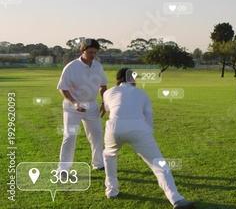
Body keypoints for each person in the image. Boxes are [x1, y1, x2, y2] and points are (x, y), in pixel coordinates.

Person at [102, 68, 195, 208]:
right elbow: (148, 118)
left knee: (109, 156)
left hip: (114, 129)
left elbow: (109, 108)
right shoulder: (142, 94)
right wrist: (146, 143)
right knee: (159, 164)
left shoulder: (108, 92)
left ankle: (111, 191)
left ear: (118, 79)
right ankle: (176, 198)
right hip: (138, 129)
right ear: (132, 79)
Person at [56, 38, 107, 172]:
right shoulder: (71, 67)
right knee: (69, 136)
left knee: (97, 135)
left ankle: (98, 164)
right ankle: (63, 169)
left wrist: (104, 102)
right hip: (72, 108)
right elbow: (63, 88)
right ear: (82, 50)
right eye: (90, 52)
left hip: (92, 107)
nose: (93, 55)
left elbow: (103, 85)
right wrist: (74, 103)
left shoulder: (98, 66)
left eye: (95, 53)